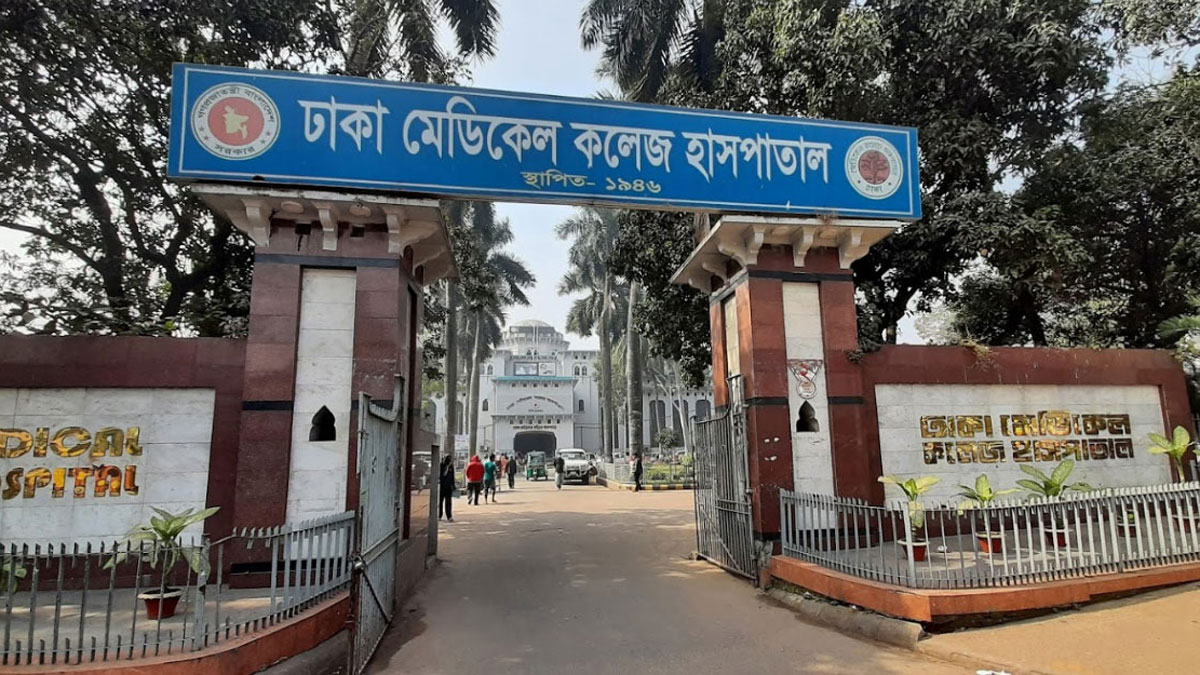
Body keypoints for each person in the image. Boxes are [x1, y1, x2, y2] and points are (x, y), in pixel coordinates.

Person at [438, 455, 455, 522]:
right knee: (440, 502)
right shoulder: (441, 466)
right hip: (441, 486)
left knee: (448, 502)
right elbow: (440, 475)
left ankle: (449, 516)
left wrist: (453, 485)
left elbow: (452, 476)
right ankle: (439, 515)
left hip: (448, 487)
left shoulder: (451, 466)